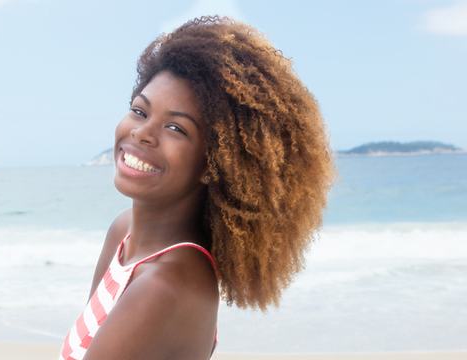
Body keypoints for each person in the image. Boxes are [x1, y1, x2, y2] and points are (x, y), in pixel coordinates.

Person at [59, 15, 336, 360]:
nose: (142, 132)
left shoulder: (167, 285)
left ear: (213, 162)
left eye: (177, 128)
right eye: (140, 111)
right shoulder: (125, 232)